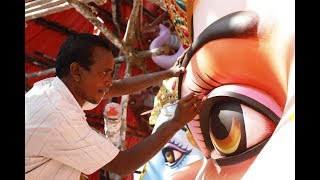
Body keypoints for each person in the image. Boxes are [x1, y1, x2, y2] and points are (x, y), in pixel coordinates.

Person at [25, 33, 207, 180]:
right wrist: (175, 122)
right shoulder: (59, 115)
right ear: (76, 71)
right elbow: (122, 165)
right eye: (104, 73)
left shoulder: (54, 89)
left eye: (111, 73)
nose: (108, 81)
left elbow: (117, 86)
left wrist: (168, 73)